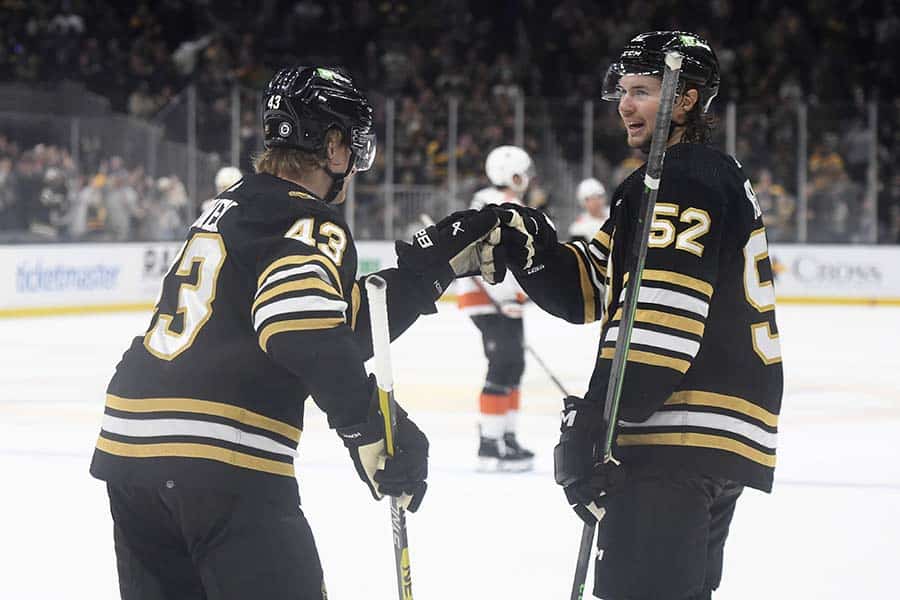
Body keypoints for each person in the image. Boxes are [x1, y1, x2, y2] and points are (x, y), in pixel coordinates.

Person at [89, 65, 501, 600]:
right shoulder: (309, 220)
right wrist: (372, 424)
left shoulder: (231, 207)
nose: (353, 162)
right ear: (332, 146)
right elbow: (299, 331)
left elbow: (333, 327)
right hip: (220, 454)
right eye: (352, 146)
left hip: (132, 454)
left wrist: (428, 275)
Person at [491, 32, 783, 599]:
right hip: (709, 435)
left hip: (677, 432)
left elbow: (663, 319)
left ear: (686, 99)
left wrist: (600, 420)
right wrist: (518, 240)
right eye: (622, 91)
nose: (624, 104)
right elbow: (586, 287)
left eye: (643, 91)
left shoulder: (682, 177)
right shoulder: (664, 181)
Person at [456, 145, 535, 472]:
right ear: (512, 174)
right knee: (503, 366)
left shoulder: (495, 203)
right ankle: (490, 444)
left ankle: (506, 436)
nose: (528, 178)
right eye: (524, 172)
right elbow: (489, 257)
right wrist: (504, 297)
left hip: (504, 301)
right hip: (493, 302)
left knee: (513, 366)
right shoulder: (497, 205)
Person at [568, 177, 609, 241]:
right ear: (584, 202)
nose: (597, 202)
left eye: (599, 197)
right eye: (592, 199)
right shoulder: (579, 228)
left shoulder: (616, 215)